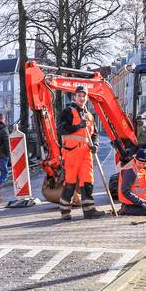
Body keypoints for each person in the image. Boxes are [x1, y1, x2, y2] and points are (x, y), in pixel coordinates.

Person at [57, 86, 103, 220]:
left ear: (87, 98)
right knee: (70, 182)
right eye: (79, 96)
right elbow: (61, 129)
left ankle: (89, 211)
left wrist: (95, 145)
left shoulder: (89, 115)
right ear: (74, 97)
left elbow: (94, 134)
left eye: (84, 96)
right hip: (71, 152)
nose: (82, 98)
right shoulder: (67, 112)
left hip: (86, 153)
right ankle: (65, 211)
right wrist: (78, 126)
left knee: (88, 182)